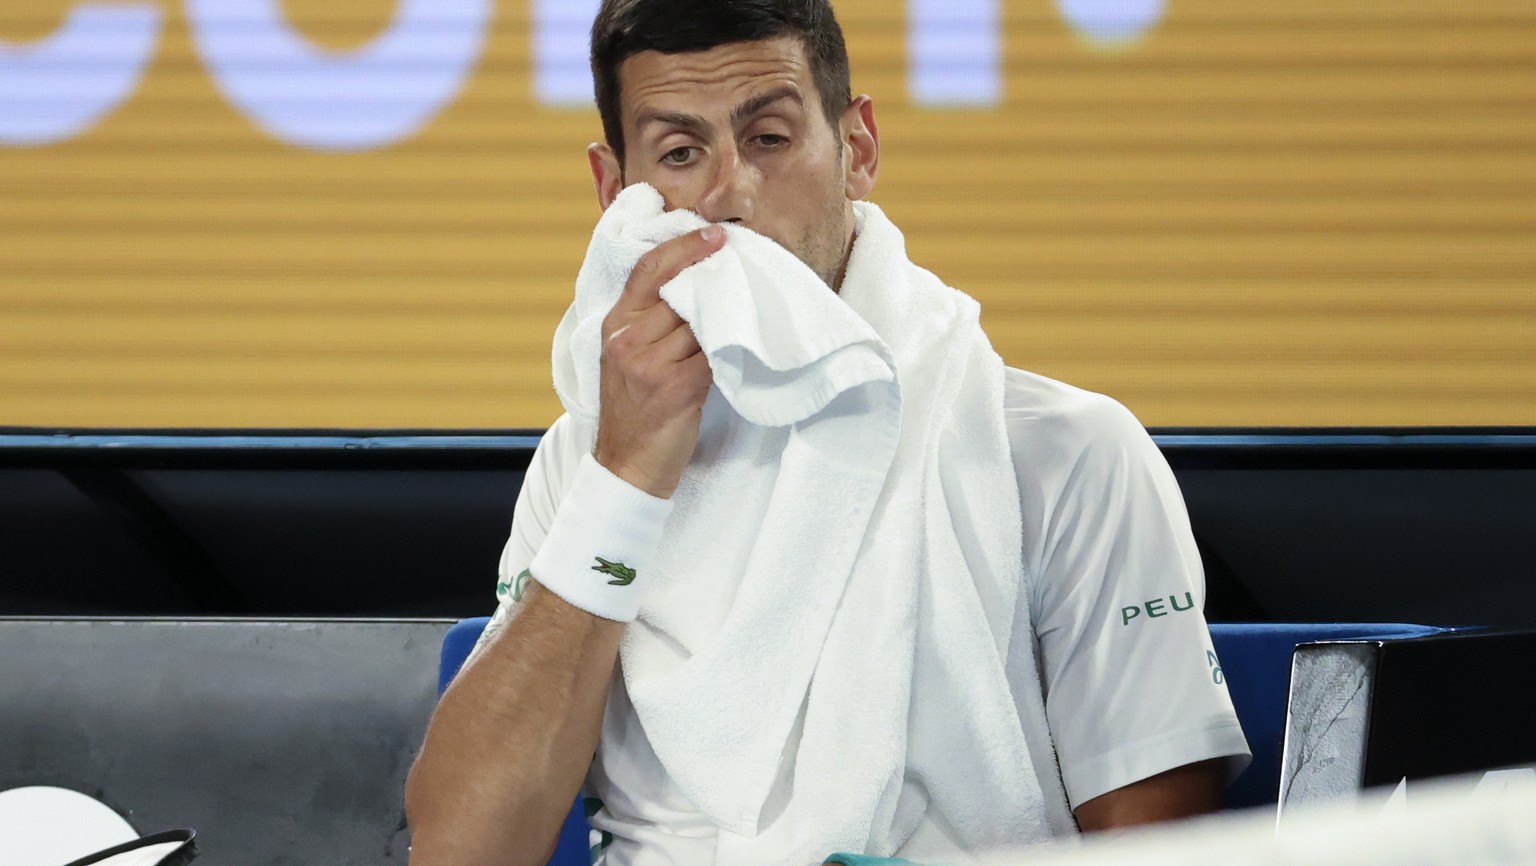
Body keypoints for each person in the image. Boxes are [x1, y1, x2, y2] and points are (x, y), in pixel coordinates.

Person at [404, 2, 1249, 865]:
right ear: (617, 194)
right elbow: (464, 849)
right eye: (680, 154)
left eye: (769, 137)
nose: (729, 193)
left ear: (860, 149)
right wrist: (624, 479)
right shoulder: (585, 461)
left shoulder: (1069, 452)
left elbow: (1160, 852)